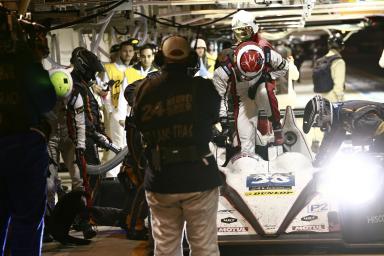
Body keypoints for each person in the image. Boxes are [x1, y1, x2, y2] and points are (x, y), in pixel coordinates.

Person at [133, 35, 222, 256]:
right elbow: (213, 117)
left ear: (160, 59)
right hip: (199, 175)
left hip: (161, 179)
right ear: (191, 58)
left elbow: (138, 124)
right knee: (204, 248)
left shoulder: (145, 90)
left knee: (166, 248)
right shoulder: (204, 88)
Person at [0, 8, 56, 255]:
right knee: (27, 219)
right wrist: (35, 60)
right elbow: (45, 99)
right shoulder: (21, 60)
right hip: (21, 146)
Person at [213, 10, 288, 154]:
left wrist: (267, 76)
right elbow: (219, 92)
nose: (242, 35)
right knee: (245, 142)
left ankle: (276, 127)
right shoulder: (228, 63)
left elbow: (284, 67)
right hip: (241, 98)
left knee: (264, 94)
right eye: (238, 31)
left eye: (244, 31)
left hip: (262, 92)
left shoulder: (265, 51)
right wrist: (223, 119)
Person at [303, 95, 384, 167]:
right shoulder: (338, 115)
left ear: (324, 114)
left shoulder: (355, 118)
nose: (320, 127)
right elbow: (330, 141)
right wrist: (318, 163)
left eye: (319, 124)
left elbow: (381, 129)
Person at [102, 39, 139, 177]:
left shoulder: (134, 71)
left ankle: (125, 174)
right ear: (120, 52)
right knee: (116, 145)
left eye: (130, 51)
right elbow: (104, 92)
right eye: (125, 51)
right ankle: (113, 175)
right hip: (116, 112)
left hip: (129, 113)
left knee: (128, 145)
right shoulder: (110, 69)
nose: (128, 54)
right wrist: (111, 112)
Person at [314, 32, 346, 102]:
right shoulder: (339, 61)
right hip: (333, 97)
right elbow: (339, 83)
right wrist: (340, 98)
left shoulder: (320, 60)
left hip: (321, 96)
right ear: (341, 46)